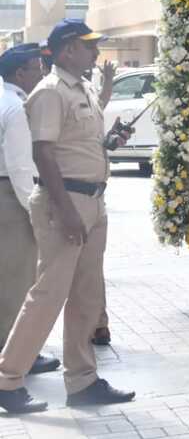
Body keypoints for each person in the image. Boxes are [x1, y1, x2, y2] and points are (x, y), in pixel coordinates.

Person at [0, 20, 134, 413]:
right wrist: (66, 210)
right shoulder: (50, 92)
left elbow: (79, 145)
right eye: (88, 45)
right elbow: (43, 154)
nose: (95, 52)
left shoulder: (85, 90)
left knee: (86, 297)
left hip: (92, 201)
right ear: (66, 50)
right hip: (67, 205)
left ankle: (83, 381)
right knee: (48, 295)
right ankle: (7, 379)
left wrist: (111, 143)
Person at [0, 44, 60, 380]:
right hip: (10, 196)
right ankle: (17, 353)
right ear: (20, 72)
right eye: (38, 67)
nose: (42, 72)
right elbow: (21, 168)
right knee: (18, 280)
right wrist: (33, 210)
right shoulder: (15, 107)